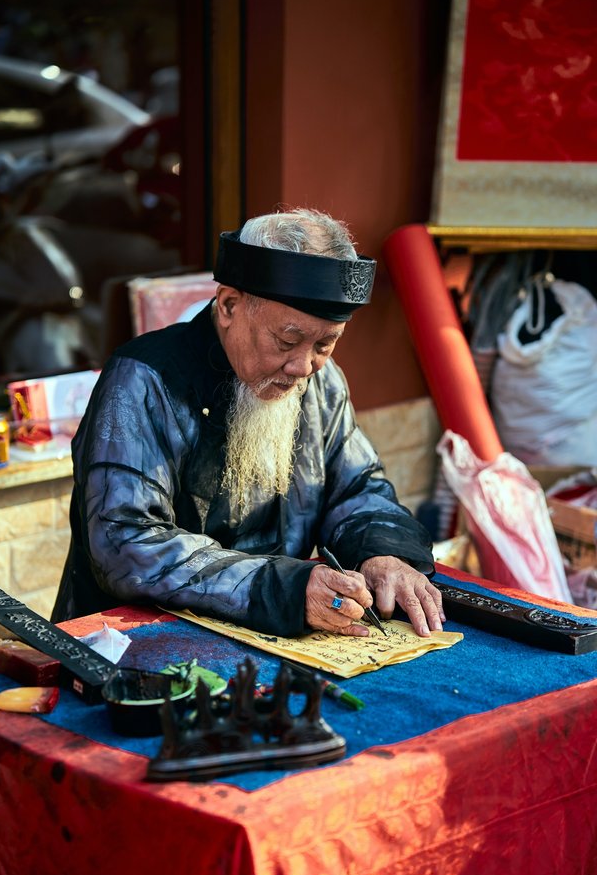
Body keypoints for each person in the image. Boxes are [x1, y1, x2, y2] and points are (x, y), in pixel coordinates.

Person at [53, 208, 443, 638]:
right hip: (131, 640)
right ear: (229, 305)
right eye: (288, 340)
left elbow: (356, 489)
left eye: (325, 344)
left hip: (277, 638)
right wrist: (281, 590)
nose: (303, 367)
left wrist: (383, 553)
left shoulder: (321, 380)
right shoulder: (143, 381)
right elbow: (126, 543)